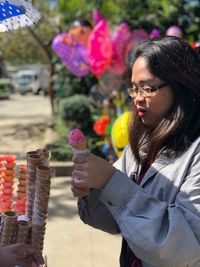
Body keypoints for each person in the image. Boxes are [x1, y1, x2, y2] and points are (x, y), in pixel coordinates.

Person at [71, 36, 200, 267]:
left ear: (181, 86)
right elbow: (116, 222)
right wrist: (93, 190)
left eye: (148, 88)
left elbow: (184, 246)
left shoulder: (196, 151)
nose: (138, 99)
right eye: (134, 89)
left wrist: (112, 183)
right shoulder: (141, 142)